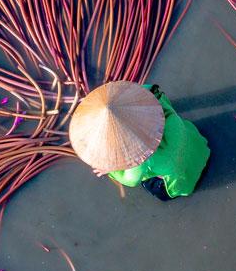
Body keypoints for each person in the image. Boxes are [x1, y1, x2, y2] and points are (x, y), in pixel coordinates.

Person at [69, 80, 209, 200]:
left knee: (151, 186)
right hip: (194, 141)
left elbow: (131, 180)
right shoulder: (149, 94)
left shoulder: (142, 159)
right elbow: (162, 98)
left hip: (181, 179)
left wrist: (112, 169)